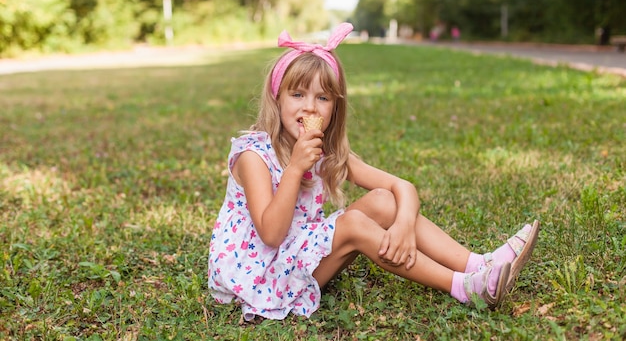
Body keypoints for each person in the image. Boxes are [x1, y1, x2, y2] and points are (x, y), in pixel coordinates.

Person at [208, 22, 540, 321]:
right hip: (260, 278)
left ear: (334, 107)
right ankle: (466, 288)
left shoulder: (323, 151)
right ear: (277, 98)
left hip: (297, 255)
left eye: (322, 97)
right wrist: (294, 168)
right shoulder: (254, 155)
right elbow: (270, 234)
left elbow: (401, 187)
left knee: (382, 200)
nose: (309, 106)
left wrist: (404, 226)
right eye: (297, 94)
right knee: (351, 222)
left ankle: (478, 264)